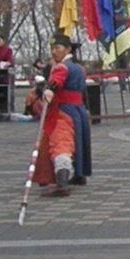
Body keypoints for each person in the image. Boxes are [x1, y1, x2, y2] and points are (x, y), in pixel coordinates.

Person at [32, 31, 91, 196]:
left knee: (60, 144)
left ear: (68, 49)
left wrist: (48, 90)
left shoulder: (61, 67)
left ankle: (62, 183)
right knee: (77, 142)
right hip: (78, 111)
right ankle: (79, 175)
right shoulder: (79, 68)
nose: (54, 51)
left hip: (63, 110)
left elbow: (56, 81)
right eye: (52, 48)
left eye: (57, 47)